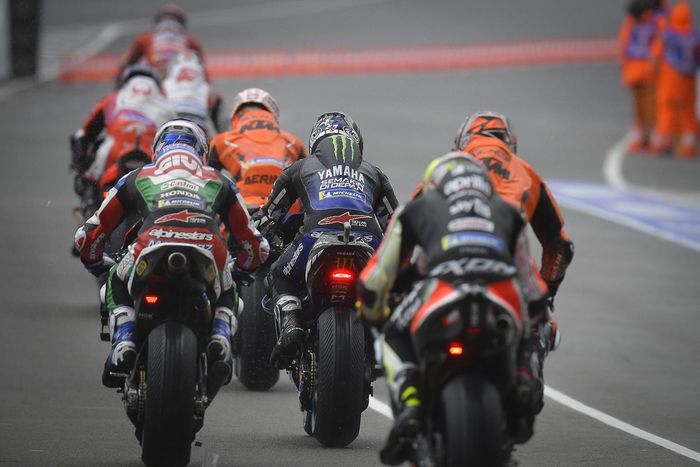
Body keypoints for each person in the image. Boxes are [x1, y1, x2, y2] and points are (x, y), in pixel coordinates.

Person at [356, 153, 549, 465]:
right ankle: (524, 380)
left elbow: (376, 279)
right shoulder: (507, 211)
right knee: (535, 326)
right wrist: (534, 318)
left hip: (444, 292)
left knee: (393, 334)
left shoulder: (417, 209)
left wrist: (371, 313)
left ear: (436, 184)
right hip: (501, 295)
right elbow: (533, 288)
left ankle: (411, 407)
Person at [74, 119, 269, 387]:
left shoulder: (138, 176)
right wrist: (244, 269)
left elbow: (89, 234)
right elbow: (254, 242)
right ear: (202, 151)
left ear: (157, 149)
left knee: (114, 280)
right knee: (229, 286)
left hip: (151, 247)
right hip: (207, 250)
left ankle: (125, 339)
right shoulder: (218, 179)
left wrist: (96, 264)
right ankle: (220, 336)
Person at [252, 111, 398, 369]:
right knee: (392, 284)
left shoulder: (299, 168)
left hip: (315, 235)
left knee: (279, 275)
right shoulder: (374, 172)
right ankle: (383, 338)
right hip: (366, 237)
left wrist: (265, 240)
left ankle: (292, 323)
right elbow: (394, 224)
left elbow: (269, 217)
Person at [453, 111, 574, 305]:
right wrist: (547, 291)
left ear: (461, 143)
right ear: (510, 144)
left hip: (447, 262)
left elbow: (403, 227)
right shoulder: (526, 172)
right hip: (509, 269)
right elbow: (562, 246)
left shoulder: (442, 169)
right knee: (544, 328)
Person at [70, 64, 175, 194]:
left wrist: (79, 165)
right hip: (151, 157)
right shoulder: (168, 106)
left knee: (91, 175)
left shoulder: (111, 99)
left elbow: (83, 134)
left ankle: (91, 198)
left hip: (112, 154)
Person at [208, 88, 307, 209]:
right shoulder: (293, 141)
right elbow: (310, 183)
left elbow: (206, 183)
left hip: (243, 208)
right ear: (271, 112)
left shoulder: (222, 140)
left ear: (236, 114)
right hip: (285, 211)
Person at [649, 1, 700, 157]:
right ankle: (688, 146)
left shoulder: (667, 34)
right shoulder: (695, 35)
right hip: (688, 78)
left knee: (666, 109)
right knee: (688, 111)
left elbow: (656, 55)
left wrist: (654, 72)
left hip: (670, 77)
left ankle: (662, 143)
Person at [618, 0, 665, 152]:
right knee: (644, 106)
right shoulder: (652, 22)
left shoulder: (638, 23)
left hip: (642, 70)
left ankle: (649, 137)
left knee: (648, 105)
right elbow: (624, 47)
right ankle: (646, 137)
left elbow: (623, 47)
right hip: (643, 70)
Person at [120, 4, 205, 78]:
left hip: (160, 78)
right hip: (172, 79)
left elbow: (128, 61)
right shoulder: (190, 40)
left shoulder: (144, 38)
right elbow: (202, 69)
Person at [162, 49, 224, 134]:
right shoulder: (207, 88)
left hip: (170, 124)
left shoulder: (165, 85)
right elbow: (222, 122)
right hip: (198, 125)